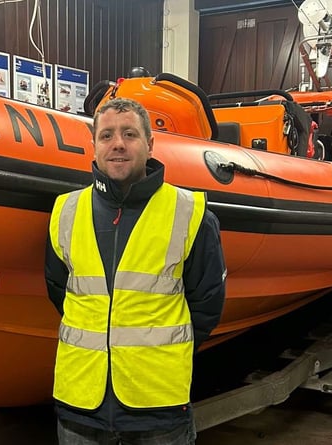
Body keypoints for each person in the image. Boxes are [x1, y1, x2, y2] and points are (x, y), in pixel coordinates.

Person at [45, 97, 227, 445]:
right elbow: (59, 289)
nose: (117, 144)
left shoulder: (190, 213)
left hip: (158, 410)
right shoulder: (65, 211)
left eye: (129, 134)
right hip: (79, 406)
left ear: (150, 144)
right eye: (107, 135)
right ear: (94, 145)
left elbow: (207, 306)